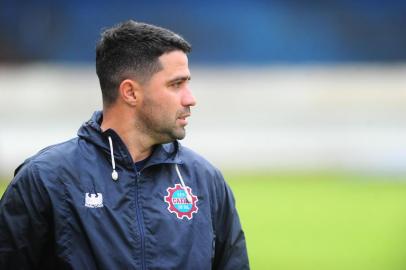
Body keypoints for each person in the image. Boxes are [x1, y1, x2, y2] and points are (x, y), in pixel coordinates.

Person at [0, 20, 249, 269]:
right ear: (130, 92)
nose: (190, 98)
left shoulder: (205, 180)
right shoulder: (46, 179)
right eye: (176, 84)